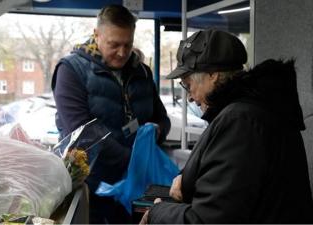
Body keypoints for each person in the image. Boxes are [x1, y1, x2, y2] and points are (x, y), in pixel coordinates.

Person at [141, 29, 313, 224]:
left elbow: (209, 219)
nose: (189, 96)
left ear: (213, 74)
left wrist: (158, 212)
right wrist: (187, 179)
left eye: (188, 84)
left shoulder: (240, 122)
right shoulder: (256, 111)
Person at [51, 4, 171, 224]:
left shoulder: (142, 71)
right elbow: (82, 132)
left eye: (128, 44)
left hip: (140, 185)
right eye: (114, 44)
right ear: (97, 35)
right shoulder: (71, 70)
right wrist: (134, 161)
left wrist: (158, 131)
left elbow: (161, 117)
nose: (123, 53)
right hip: (94, 184)